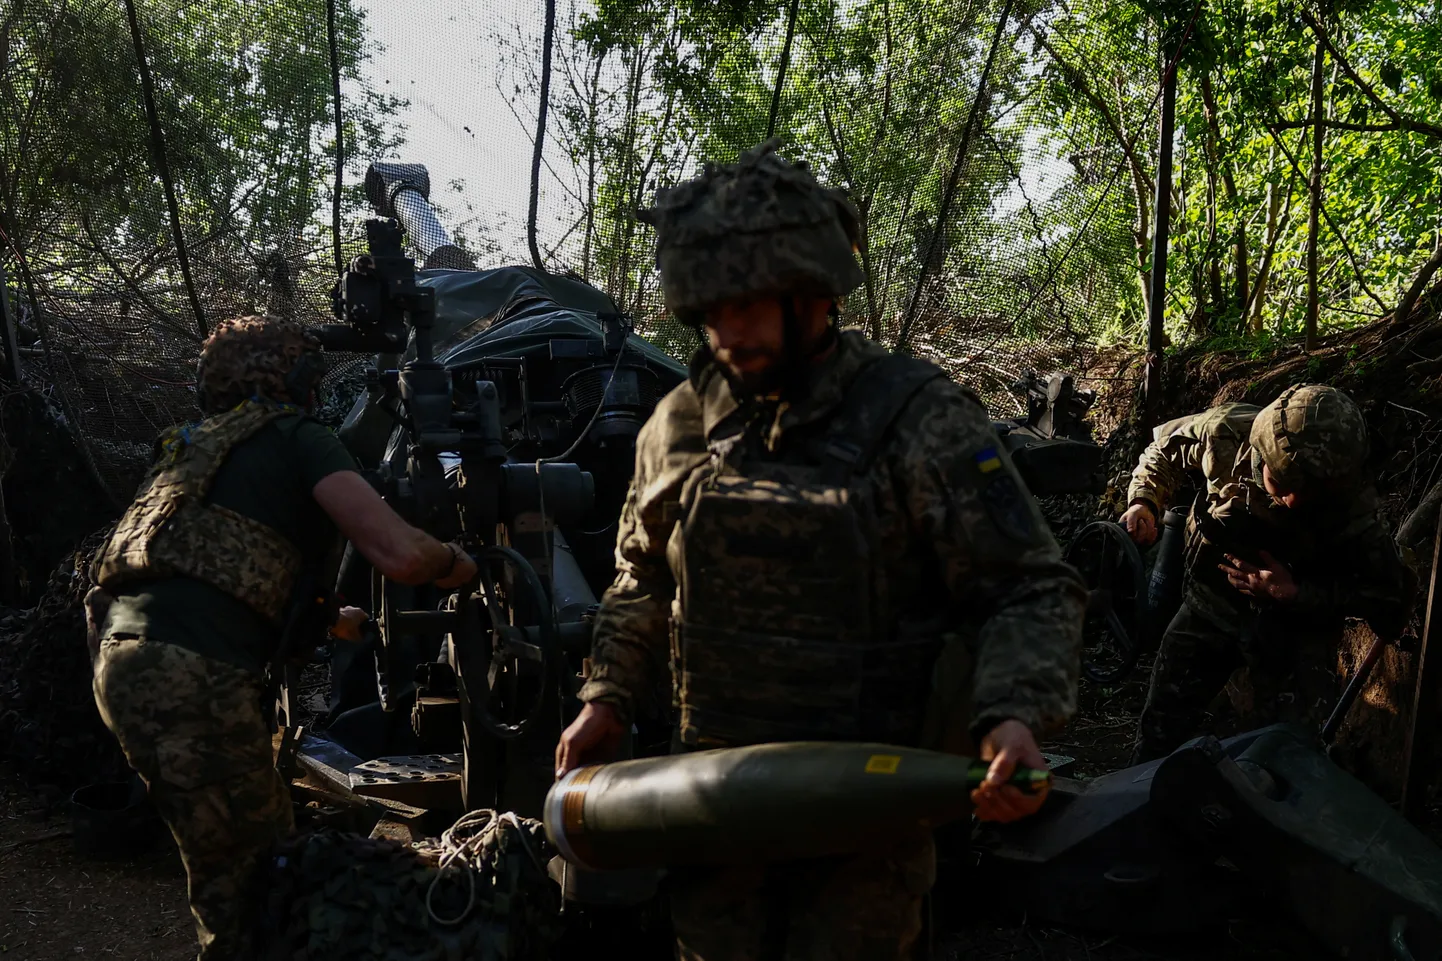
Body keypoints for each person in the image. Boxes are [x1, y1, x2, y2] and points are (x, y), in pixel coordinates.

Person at [555, 141, 1086, 961]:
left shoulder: (917, 419)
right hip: (711, 806)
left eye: (750, 303)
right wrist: (608, 695)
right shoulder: (682, 423)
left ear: (813, 292)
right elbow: (642, 575)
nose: (727, 329)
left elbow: (1027, 585)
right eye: (708, 308)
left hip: (864, 818)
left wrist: (1012, 714)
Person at [87, 315, 479, 960]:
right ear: (289, 377)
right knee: (252, 887)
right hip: (195, 674)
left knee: (238, 854)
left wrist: (332, 618)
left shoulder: (187, 448)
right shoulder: (297, 436)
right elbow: (400, 555)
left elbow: (211, 568)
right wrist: (456, 564)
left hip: (121, 665)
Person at [1120, 384, 1414, 764]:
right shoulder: (1228, 433)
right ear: (1262, 454)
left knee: (1285, 758)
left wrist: (1296, 593)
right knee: (1159, 731)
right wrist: (1144, 500)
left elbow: (1390, 603)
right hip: (1210, 606)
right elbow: (1164, 449)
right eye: (1287, 483)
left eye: (1312, 492)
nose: (1294, 501)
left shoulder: (1356, 513)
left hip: (1296, 636)